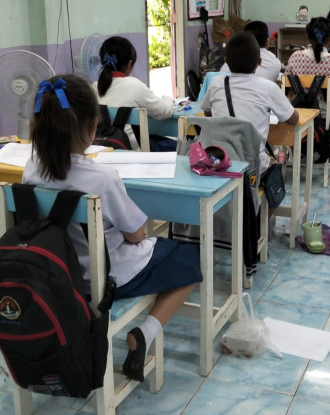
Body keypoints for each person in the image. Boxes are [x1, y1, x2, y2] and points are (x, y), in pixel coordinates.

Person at [22, 74, 200, 382]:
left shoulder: (30, 171)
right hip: (104, 280)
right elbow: (136, 234)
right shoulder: (103, 179)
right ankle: (145, 332)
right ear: (93, 126)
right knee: (190, 260)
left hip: (58, 274)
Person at [201, 31, 298, 173]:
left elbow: (207, 112)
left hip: (219, 161)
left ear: (226, 60)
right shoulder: (269, 88)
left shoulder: (216, 83)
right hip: (252, 166)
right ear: (259, 62)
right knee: (277, 161)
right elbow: (293, 119)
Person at [93, 36, 176, 151]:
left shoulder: (93, 88)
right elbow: (165, 111)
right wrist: (168, 99)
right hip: (132, 150)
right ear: (129, 63)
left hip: (102, 148)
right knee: (178, 146)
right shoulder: (135, 86)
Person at [284, 17, 330, 126]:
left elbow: (287, 79)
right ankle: (329, 136)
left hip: (299, 111)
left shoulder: (295, 56)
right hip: (327, 112)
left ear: (308, 37)